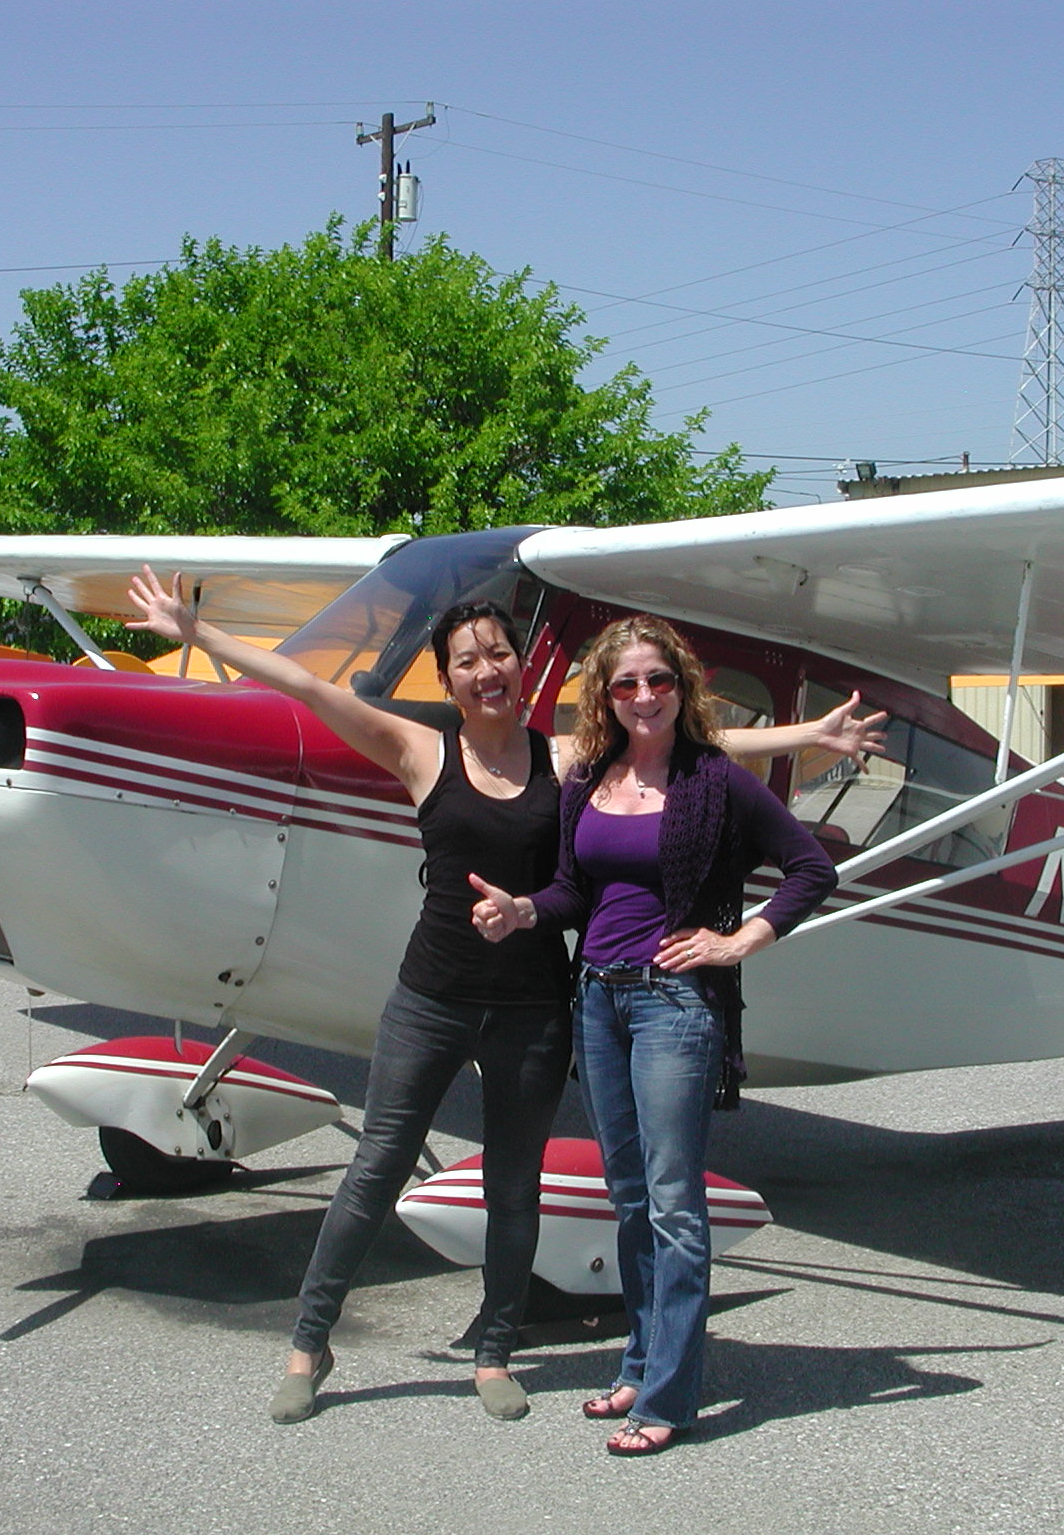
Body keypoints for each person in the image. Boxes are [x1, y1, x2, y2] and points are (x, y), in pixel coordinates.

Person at [127, 571, 877, 1426]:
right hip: (432, 995)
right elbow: (304, 686)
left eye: (500, 655)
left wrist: (809, 733)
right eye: (466, 661)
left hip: (533, 1005)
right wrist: (202, 637)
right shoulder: (419, 750)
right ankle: (308, 1342)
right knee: (374, 1169)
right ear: (444, 680)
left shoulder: (565, 758)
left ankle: (495, 1351)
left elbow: (684, 745)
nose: (487, 671)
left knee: (515, 1188)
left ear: (523, 667)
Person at [470, 614, 839, 1456]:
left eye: (659, 680)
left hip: (674, 1006)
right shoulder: (589, 780)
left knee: (674, 1204)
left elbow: (814, 868)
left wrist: (742, 938)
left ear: (684, 687)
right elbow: (572, 890)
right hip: (597, 1000)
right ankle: (640, 1360)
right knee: (629, 1195)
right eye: (626, 683)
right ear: (606, 695)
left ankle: (670, 1395)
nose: (644, 696)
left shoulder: (717, 780)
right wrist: (526, 911)